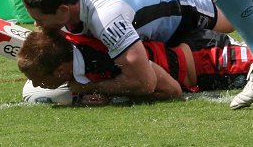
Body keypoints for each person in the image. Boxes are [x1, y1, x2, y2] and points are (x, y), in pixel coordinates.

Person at [21, 0, 233, 97]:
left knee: (234, 19)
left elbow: (145, 83)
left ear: (63, 10)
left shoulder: (106, 20)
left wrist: (86, 89)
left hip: (181, 3)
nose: (38, 26)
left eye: (40, 19)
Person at [18, 29, 252, 105]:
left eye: (39, 79)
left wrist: (95, 90)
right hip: (195, 54)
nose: (37, 85)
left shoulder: (100, 59)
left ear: (60, 71)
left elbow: (171, 89)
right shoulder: (72, 45)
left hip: (211, 60)